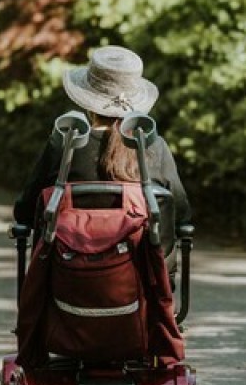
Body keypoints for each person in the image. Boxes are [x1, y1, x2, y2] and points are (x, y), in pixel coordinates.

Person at [11, 45, 191, 254]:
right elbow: (181, 215)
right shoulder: (153, 147)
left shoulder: (64, 144)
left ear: (88, 103)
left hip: (67, 273)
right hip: (141, 275)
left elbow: (25, 211)